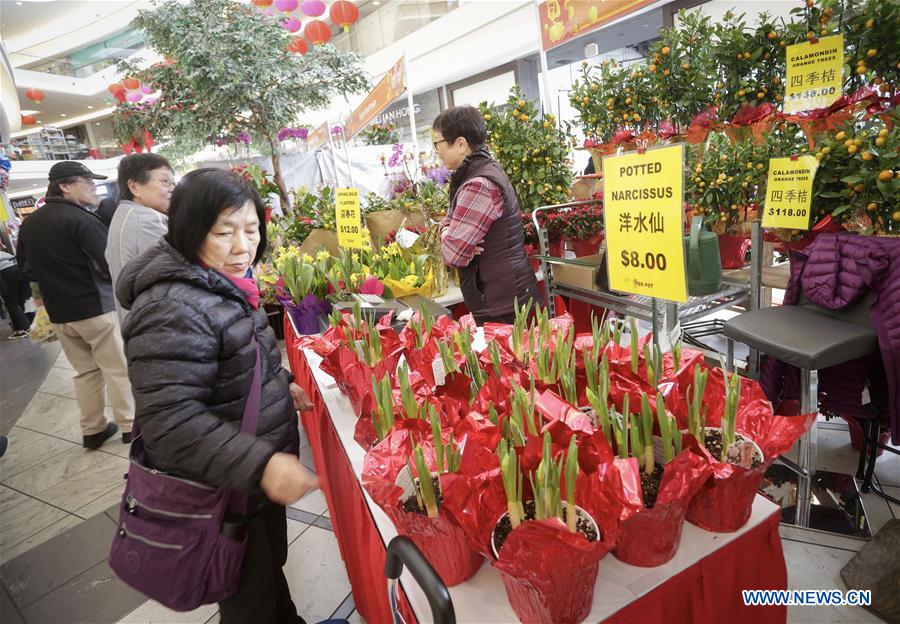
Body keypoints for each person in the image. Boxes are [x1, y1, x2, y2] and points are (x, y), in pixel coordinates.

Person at [116, 168, 317, 624]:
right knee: (248, 601)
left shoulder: (219, 286)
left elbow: (236, 359)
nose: (242, 246)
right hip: (222, 487)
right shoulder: (172, 306)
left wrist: (280, 382)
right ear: (189, 230)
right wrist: (262, 464)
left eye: (251, 230)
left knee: (265, 578)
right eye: (223, 231)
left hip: (246, 483)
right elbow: (171, 423)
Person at [16, 161, 134, 448]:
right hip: (96, 307)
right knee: (117, 367)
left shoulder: (31, 222)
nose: (94, 188)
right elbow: (109, 264)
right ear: (65, 186)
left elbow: (26, 268)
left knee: (85, 372)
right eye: (87, 182)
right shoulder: (83, 220)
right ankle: (130, 425)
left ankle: (92, 429)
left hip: (60, 313)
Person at [432, 105, 540, 325]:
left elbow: (453, 254)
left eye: (438, 142)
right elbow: (449, 221)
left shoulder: (478, 184)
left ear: (460, 144)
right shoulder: (480, 172)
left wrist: (448, 235)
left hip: (504, 304)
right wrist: (449, 229)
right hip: (504, 296)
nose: (436, 150)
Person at [105, 154, 174, 323]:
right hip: (157, 323)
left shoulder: (124, 214)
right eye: (165, 181)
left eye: (173, 183)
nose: (172, 188)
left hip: (136, 322)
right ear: (134, 187)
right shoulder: (147, 221)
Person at [0, 246, 31, 338]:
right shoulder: (4, 253)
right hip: (19, 270)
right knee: (20, 301)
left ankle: (27, 328)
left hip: (5, 273)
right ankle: (19, 330)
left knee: (11, 304)